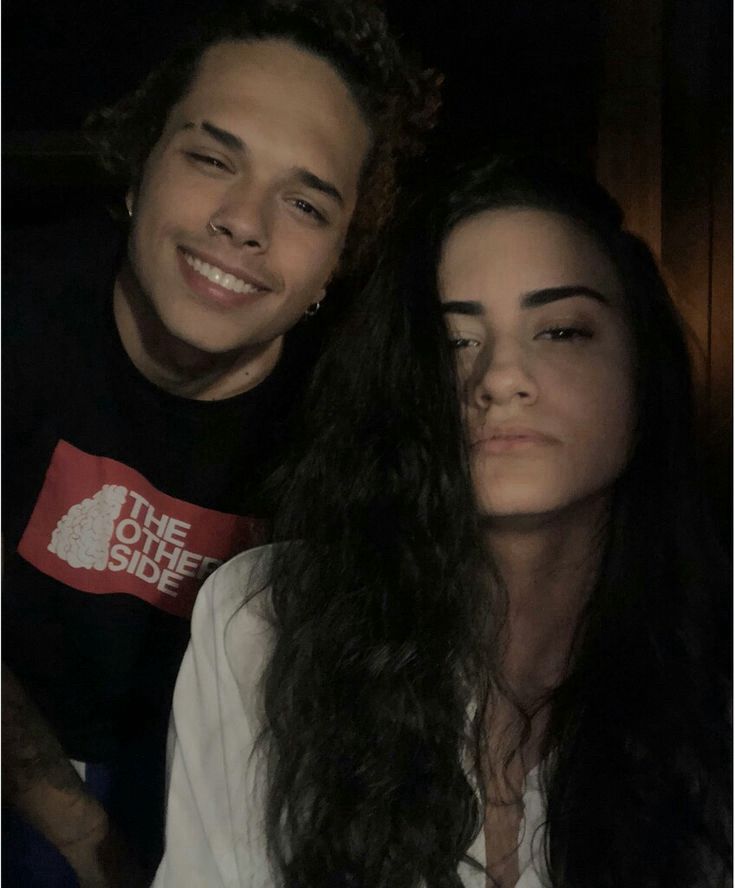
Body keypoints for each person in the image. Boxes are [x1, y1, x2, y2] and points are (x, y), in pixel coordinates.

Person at [155, 154, 731, 887]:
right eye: (453, 341)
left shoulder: (710, 663)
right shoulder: (264, 619)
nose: (499, 378)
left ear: (643, 371)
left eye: (560, 330)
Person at [1, 2, 439, 884]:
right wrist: (83, 834)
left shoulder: (358, 408)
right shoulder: (21, 310)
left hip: (228, 773)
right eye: (211, 159)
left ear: (338, 259)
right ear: (139, 169)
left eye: (304, 202)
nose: (244, 221)